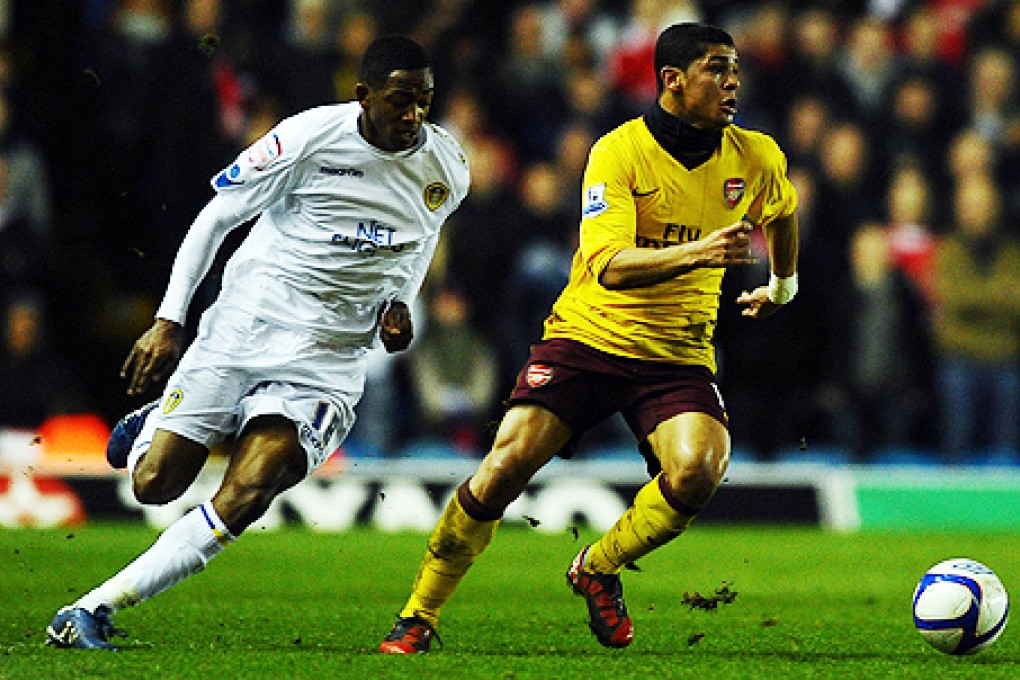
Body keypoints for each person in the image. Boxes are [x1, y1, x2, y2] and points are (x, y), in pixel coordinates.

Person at [379, 22, 799, 654]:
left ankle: (598, 567)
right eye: (717, 68)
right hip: (589, 337)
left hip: (676, 352)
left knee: (699, 471)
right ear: (672, 82)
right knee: (504, 467)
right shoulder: (618, 153)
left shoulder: (756, 155)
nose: (733, 80)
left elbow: (784, 210)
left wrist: (783, 284)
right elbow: (609, 264)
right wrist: (702, 250)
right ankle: (419, 614)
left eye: (736, 68)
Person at [46, 34, 469, 650]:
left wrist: (399, 299)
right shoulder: (306, 139)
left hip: (329, 357)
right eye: (401, 101)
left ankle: (92, 607)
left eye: (424, 102)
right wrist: (170, 320)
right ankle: (147, 429)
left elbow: (421, 235)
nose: (414, 116)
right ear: (363, 96)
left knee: (249, 490)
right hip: (246, 326)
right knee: (154, 484)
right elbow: (217, 216)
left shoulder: (447, 165)